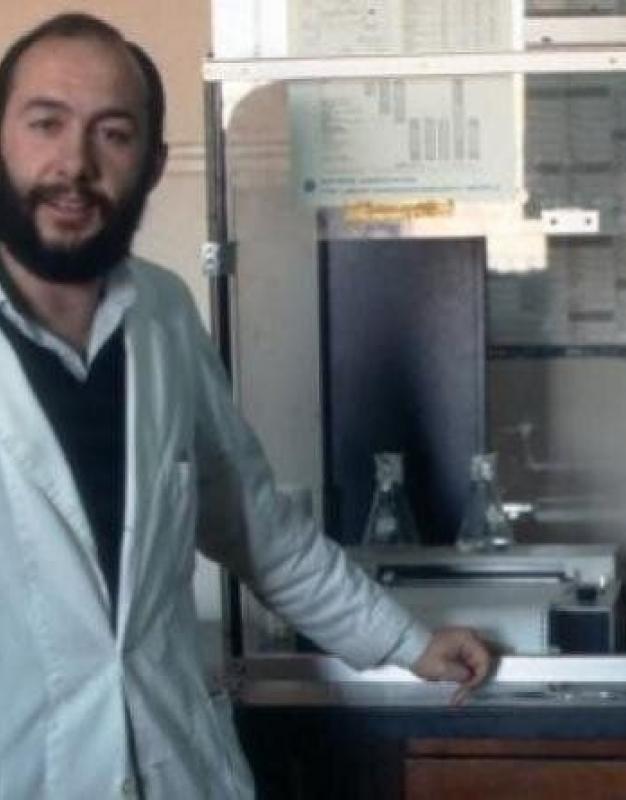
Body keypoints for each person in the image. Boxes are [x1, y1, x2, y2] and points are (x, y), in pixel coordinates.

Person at [0, 13, 492, 798]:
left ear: (153, 166)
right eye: (45, 124)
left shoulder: (163, 315)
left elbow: (259, 531)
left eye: (113, 134)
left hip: (170, 766)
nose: (75, 165)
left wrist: (407, 642)